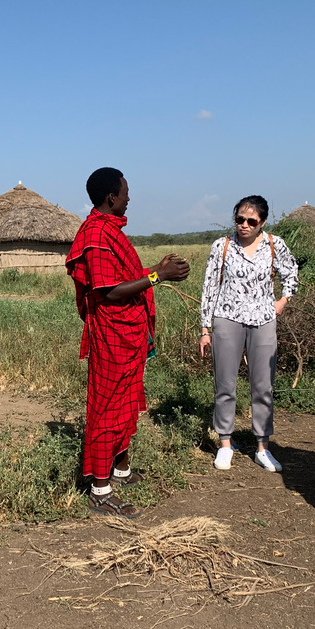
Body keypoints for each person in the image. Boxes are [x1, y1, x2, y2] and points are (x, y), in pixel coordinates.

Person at [66, 167, 191, 517]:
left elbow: (123, 278)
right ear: (111, 197)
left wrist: (155, 267)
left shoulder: (108, 232)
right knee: (107, 409)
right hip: (112, 336)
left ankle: (119, 470)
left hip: (127, 335)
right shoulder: (95, 236)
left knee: (124, 402)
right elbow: (107, 292)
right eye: (125, 191)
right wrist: (158, 275)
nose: (129, 197)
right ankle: (100, 490)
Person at [199, 195, 298, 472]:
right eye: (239, 219)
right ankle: (225, 443)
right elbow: (209, 287)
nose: (244, 225)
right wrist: (205, 328)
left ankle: (263, 448)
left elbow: (291, 273)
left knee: (263, 385)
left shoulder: (274, 244)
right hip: (227, 318)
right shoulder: (222, 245)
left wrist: (282, 301)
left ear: (262, 222)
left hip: (263, 320)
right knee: (225, 384)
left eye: (251, 220)